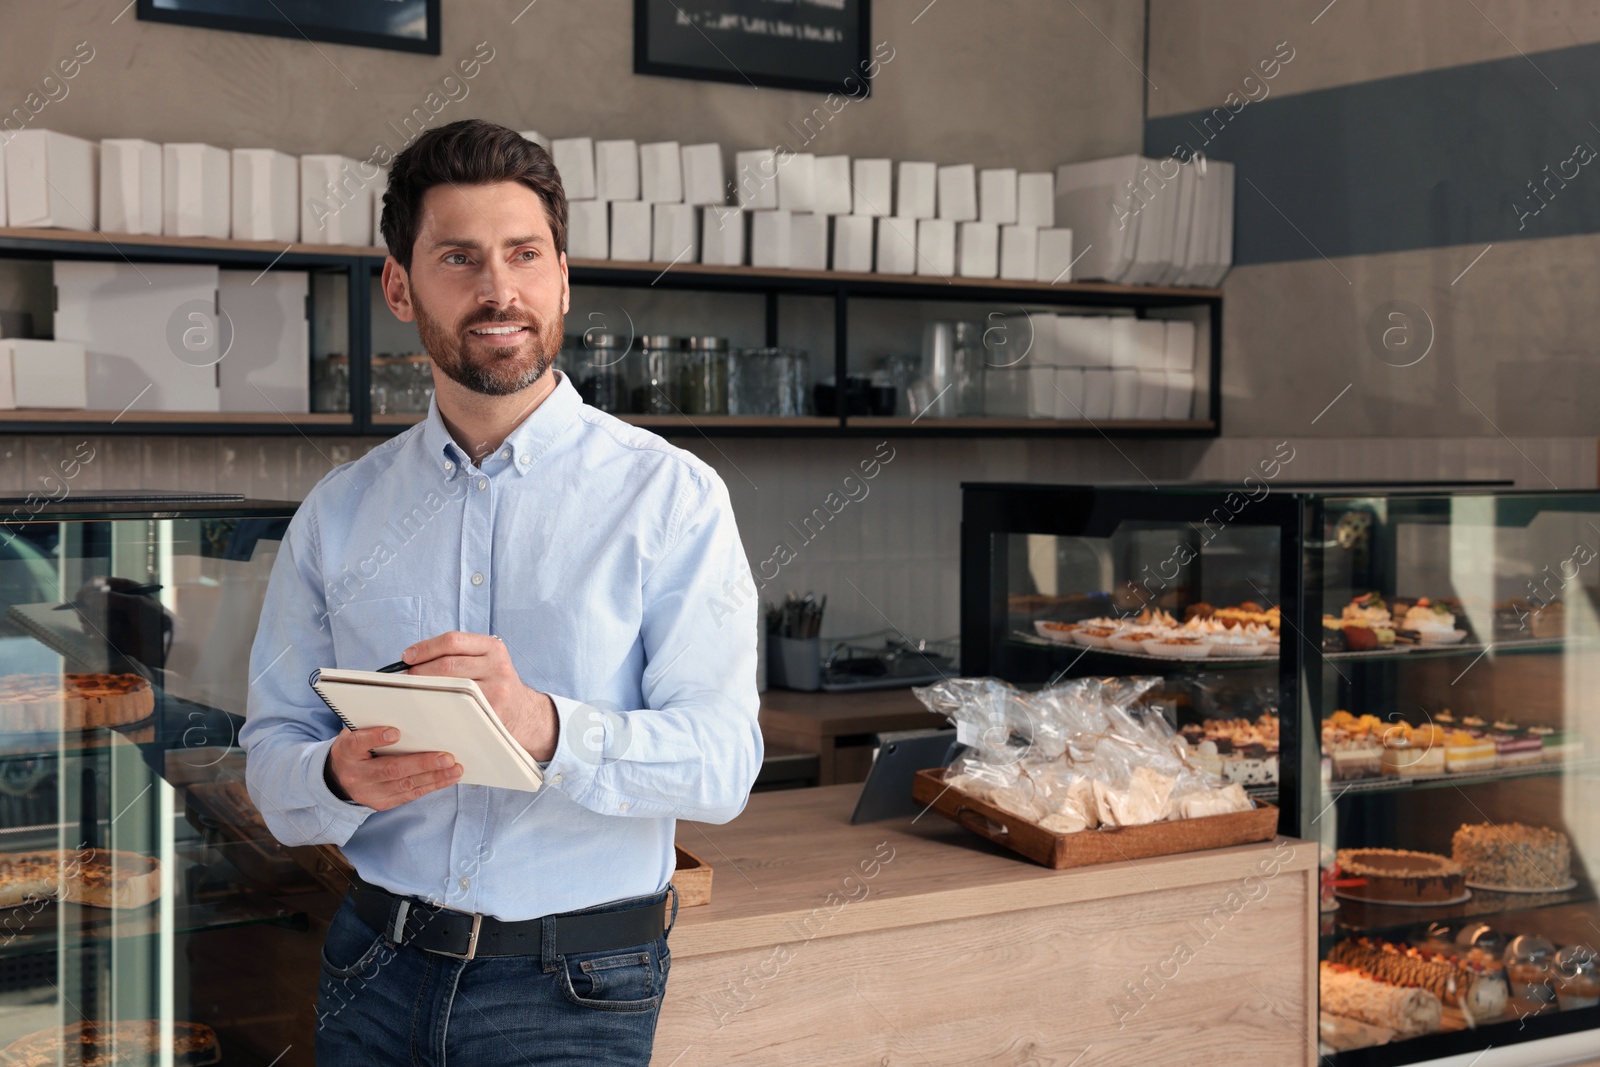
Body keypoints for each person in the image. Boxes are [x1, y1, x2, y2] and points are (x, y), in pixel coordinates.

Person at [241, 118, 762, 1067]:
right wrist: (333, 777)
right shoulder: (338, 512)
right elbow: (272, 751)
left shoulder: (672, 494)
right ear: (400, 285)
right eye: (459, 257)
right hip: (371, 966)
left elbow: (724, 763)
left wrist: (547, 728)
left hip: (573, 987)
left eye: (525, 254)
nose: (499, 290)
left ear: (563, 275)